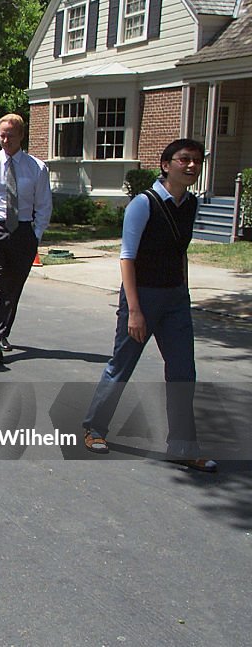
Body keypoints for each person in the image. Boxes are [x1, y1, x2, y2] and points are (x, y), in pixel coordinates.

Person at [81, 138, 216, 472]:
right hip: (141, 296)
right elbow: (127, 257)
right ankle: (94, 429)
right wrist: (135, 310)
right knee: (122, 364)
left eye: (197, 161)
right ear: (166, 164)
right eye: (184, 159)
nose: (191, 166)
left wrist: (183, 292)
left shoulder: (190, 204)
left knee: (184, 372)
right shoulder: (145, 203)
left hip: (175, 300)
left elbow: (179, 252)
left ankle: (183, 446)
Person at [0, 113, 52, 364]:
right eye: (2, 135)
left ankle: (2, 331)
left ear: (21, 136)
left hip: (22, 232)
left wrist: (35, 234)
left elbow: (44, 205)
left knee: (12, 287)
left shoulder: (36, 168)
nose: (5, 140)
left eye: (10, 136)